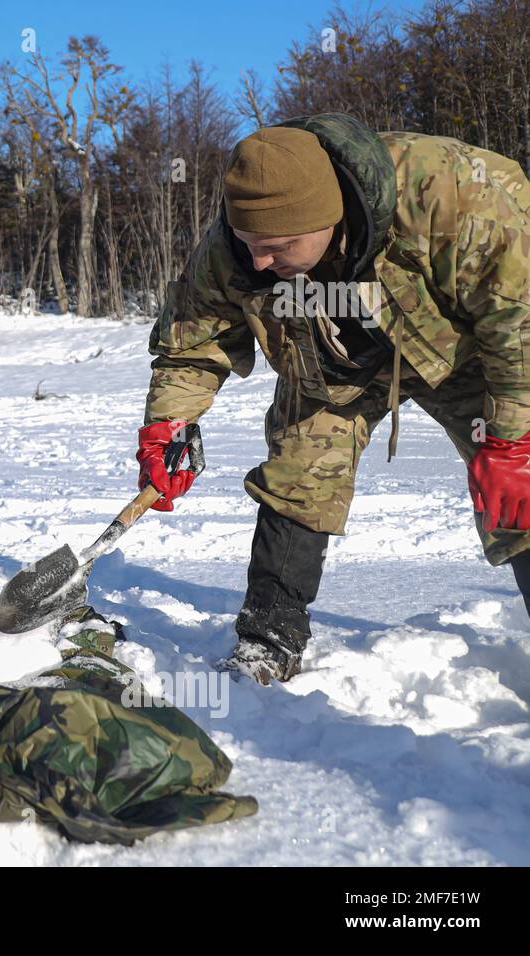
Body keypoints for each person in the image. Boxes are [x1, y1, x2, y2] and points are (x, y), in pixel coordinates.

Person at [135, 112, 530, 685]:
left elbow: (520, 324)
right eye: (251, 246)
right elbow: (191, 345)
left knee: (521, 491)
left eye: (279, 247)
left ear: (330, 219)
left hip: (472, 350)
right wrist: (167, 425)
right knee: (298, 472)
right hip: (336, 361)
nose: (262, 263)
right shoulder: (234, 247)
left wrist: (513, 442)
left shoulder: (454, 195)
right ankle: (267, 641)